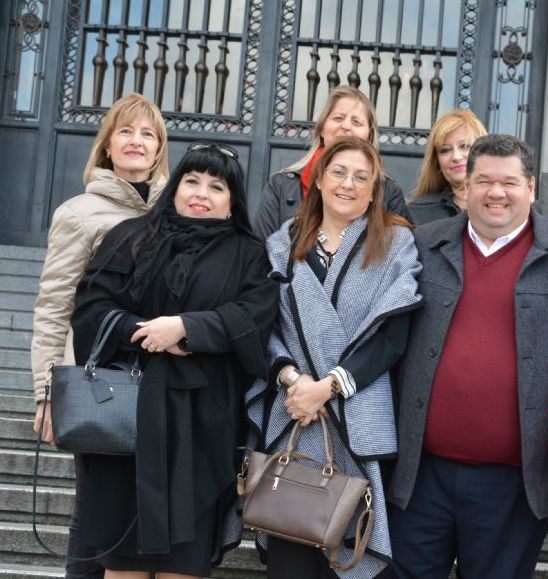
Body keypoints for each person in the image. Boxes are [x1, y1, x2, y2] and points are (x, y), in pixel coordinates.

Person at [388, 134, 548, 579]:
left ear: (531, 188)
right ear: (465, 187)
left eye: (509, 182)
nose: (496, 193)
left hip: (513, 484)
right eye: (484, 180)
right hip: (419, 476)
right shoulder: (419, 246)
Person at [69, 142, 278, 577]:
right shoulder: (131, 236)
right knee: (122, 563)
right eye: (192, 180)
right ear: (176, 187)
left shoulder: (249, 254)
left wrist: (187, 327)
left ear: (232, 201)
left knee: (183, 563)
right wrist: (144, 332)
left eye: (216, 186)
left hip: (201, 431)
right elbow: (91, 310)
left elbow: (255, 317)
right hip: (128, 422)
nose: (201, 193)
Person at [247, 136, 422, 578]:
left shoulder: (395, 241)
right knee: (292, 554)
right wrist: (292, 379)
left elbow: (393, 334)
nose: (349, 184)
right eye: (339, 172)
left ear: (374, 187)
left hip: (358, 413)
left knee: (354, 550)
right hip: (295, 414)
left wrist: (328, 387)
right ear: (319, 179)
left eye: (362, 177)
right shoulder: (282, 243)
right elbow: (264, 325)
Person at [30, 92, 168, 578]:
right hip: (97, 385)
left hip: (157, 383)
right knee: (95, 517)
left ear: (159, 150)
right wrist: (47, 394)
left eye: (147, 134)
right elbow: (54, 308)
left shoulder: (176, 213)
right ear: (107, 145)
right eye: (126, 131)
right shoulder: (79, 212)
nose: (136, 141)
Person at [253, 86, 410, 242]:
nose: (346, 126)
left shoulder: (388, 191)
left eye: (356, 122)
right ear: (321, 129)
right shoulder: (280, 187)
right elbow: (261, 253)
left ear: (369, 136)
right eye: (338, 118)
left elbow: (399, 250)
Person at [407, 108, 487, 224]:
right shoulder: (417, 213)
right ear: (437, 162)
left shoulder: (503, 205)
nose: (456, 157)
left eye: (464, 146)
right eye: (445, 150)